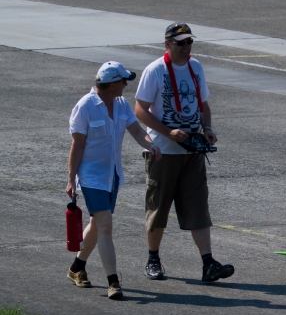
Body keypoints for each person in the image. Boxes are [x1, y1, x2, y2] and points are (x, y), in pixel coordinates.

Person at [134, 22, 234, 283]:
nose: (187, 47)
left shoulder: (195, 67)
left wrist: (208, 128)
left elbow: (203, 104)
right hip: (163, 152)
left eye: (190, 42)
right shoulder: (155, 70)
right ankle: (153, 259)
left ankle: (208, 263)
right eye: (181, 43)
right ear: (167, 44)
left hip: (192, 151)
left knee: (198, 209)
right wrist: (168, 133)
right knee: (158, 209)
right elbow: (140, 110)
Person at [66, 61, 162, 299]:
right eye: (123, 81)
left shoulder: (121, 105)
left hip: (112, 176)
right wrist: (71, 179)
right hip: (90, 177)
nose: (126, 85)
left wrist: (151, 146)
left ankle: (77, 268)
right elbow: (76, 145)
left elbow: (137, 132)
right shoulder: (85, 107)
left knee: (98, 225)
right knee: (106, 225)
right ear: (111, 85)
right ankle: (113, 282)